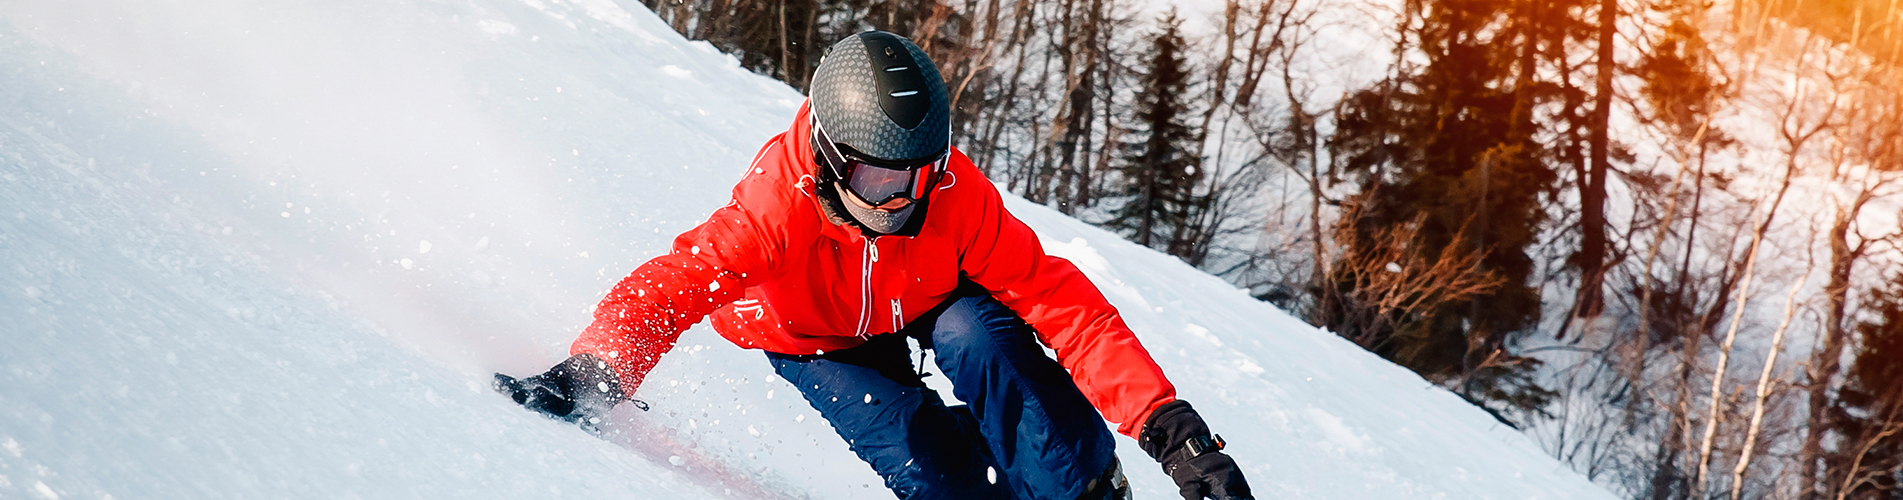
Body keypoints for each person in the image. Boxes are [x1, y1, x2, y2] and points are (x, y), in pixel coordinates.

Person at [493, 31, 1252, 500]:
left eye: (914, 174)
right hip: (814, 336)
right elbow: (676, 284)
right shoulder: (772, 211)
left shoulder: (950, 195)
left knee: (984, 343)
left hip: (923, 296)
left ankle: (1080, 487)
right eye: (873, 179)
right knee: (936, 480)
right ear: (828, 159)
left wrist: (1172, 434)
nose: (896, 200)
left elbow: (1065, 306)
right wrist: (598, 370)